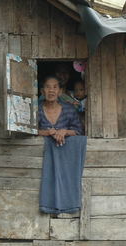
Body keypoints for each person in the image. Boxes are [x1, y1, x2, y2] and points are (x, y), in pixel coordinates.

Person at [38, 75, 87, 216]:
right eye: (47, 87)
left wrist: (64, 132)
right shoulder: (37, 110)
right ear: (42, 91)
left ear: (60, 91)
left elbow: (79, 131)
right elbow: (30, 130)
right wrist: (46, 132)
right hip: (44, 157)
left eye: (55, 87)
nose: (51, 90)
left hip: (66, 158)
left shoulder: (69, 109)